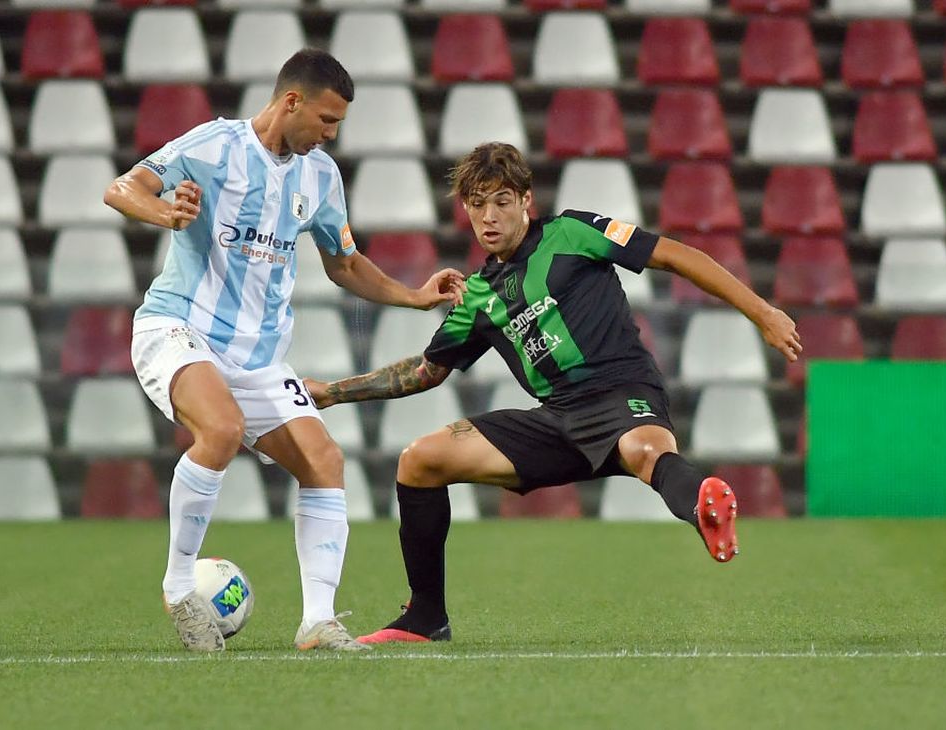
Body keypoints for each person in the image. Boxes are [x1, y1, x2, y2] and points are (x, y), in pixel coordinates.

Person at [304, 142, 802, 645]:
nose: (488, 216)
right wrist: (332, 392)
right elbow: (426, 371)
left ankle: (703, 508)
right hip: (557, 420)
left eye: (500, 200)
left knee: (644, 450)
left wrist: (763, 313)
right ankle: (425, 617)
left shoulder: (571, 232)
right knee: (420, 461)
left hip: (622, 394)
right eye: (476, 204)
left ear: (526, 200)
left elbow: (675, 255)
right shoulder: (478, 295)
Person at [103, 48, 465, 653]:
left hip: (260, 356)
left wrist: (413, 296)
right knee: (220, 430)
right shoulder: (214, 145)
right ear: (290, 101)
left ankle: (317, 622)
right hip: (179, 327)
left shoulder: (319, 175)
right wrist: (166, 213)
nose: (331, 135)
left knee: (324, 460)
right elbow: (122, 189)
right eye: (326, 121)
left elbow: (344, 262)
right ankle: (177, 589)